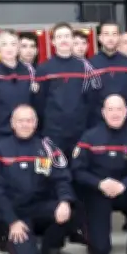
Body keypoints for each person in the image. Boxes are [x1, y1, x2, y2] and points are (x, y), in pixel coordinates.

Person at [0, 105, 74, 254]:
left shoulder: (47, 147)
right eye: (20, 121)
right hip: (15, 213)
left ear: (35, 123)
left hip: (40, 206)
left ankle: (50, 248)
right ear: (12, 123)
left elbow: (62, 178)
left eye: (29, 120)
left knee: (69, 210)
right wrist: (12, 221)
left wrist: (64, 201)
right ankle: (11, 239)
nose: (25, 125)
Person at [70, 95, 127, 254]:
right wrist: (99, 184)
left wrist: (124, 185)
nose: (115, 113)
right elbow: (77, 171)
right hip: (99, 192)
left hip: (125, 190)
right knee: (99, 251)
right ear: (103, 112)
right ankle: (90, 231)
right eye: (110, 109)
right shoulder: (89, 137)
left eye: (119, 109)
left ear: (126, 111)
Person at [0, 30, 36, 245]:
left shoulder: (29, 72)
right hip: (0, 136)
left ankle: (23, 225)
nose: (10, 48)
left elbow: (34, 103)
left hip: (26, 137)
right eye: (5, 44)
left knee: (23, 183)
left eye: (14, 44)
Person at [35, 22, 101, 160]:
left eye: (67, 36)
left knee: (79, 170)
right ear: (53, 42)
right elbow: (39, 103)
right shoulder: (43, 69)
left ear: (72, 40)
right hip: (53, 133)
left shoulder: (85, 68)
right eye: (59, 37)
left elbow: (92, 101)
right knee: (55, 172)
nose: (63, 40)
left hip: (80, 132)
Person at [90, 22, 127, 127]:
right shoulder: (90, 64)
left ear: (119, 38)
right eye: (106, 34)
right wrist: (103, 114)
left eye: (114, 34)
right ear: (100, 38)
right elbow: (89, 97)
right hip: (99, 123)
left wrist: (126, 113)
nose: (110, 38)